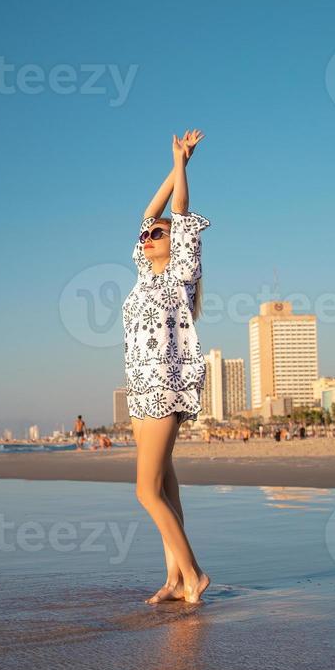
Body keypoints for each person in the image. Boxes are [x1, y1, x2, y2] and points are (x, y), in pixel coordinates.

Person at [122, 128, 212, 605]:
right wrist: (174, 168)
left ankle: (194, 575)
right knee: (164, 487)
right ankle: (175, 579)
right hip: (139, 386)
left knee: (145, 491)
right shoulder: (144, 271)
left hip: (164, 386)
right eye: (147, 235)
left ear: (176, 244)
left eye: (157, 235)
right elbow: (151, 212)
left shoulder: (181, 273)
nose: (149, 234)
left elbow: (174, 212)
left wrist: (182, 165)